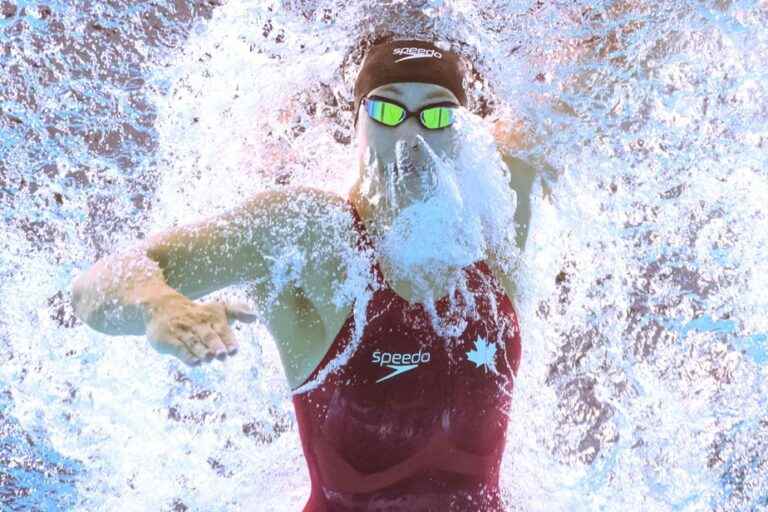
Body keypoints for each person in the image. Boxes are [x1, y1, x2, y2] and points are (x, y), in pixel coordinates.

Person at [71, 38, 548, 511]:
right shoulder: (313, 237)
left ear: (462, 133)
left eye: (438, 114)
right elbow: (92, 289)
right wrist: (161, 305)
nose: (411, 136)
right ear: (355, 123)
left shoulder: (499, 205)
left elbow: (587, 78)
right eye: (386, 111)